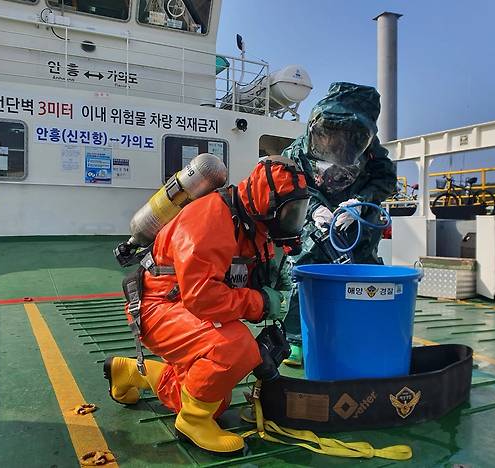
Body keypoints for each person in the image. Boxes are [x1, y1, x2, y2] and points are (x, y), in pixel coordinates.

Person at [103, 156, 309, 455]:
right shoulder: (210, 217)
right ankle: (192, 421)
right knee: (234, 347)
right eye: (290, 211)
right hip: (156, 307)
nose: (293, 219)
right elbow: (203, 297)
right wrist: (262, 302)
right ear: (268, 202)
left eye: (298, 211)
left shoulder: (254, 224)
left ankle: (131, 373)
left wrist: (273, 287)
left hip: (181, 304)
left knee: (213, 399)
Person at [279, 82, 397, 367]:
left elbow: (386, 181)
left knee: (364, 273)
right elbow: (290, 184)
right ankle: (296, 339)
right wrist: (315, 207)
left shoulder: (372, 153)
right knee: (304, 270)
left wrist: (359, 201)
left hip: (358, 222)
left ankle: (362, 333)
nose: (336, 140)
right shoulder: (298, 151)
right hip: (315, 220)